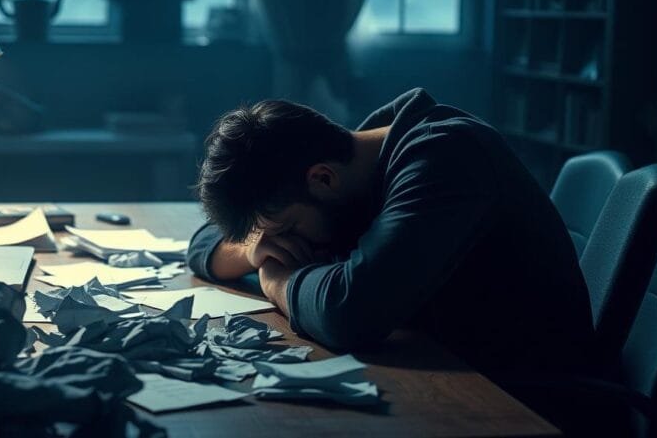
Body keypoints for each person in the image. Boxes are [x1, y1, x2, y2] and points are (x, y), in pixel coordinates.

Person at [188, 88, 598, 429]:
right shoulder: (353, 162)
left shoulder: (446, 158)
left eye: (286, 229)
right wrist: (251, 247)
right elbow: (202, 245)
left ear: (322, 179)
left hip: (521, 400)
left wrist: (275, 278)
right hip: (441, 368)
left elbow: (350, 312)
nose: (282, 244)